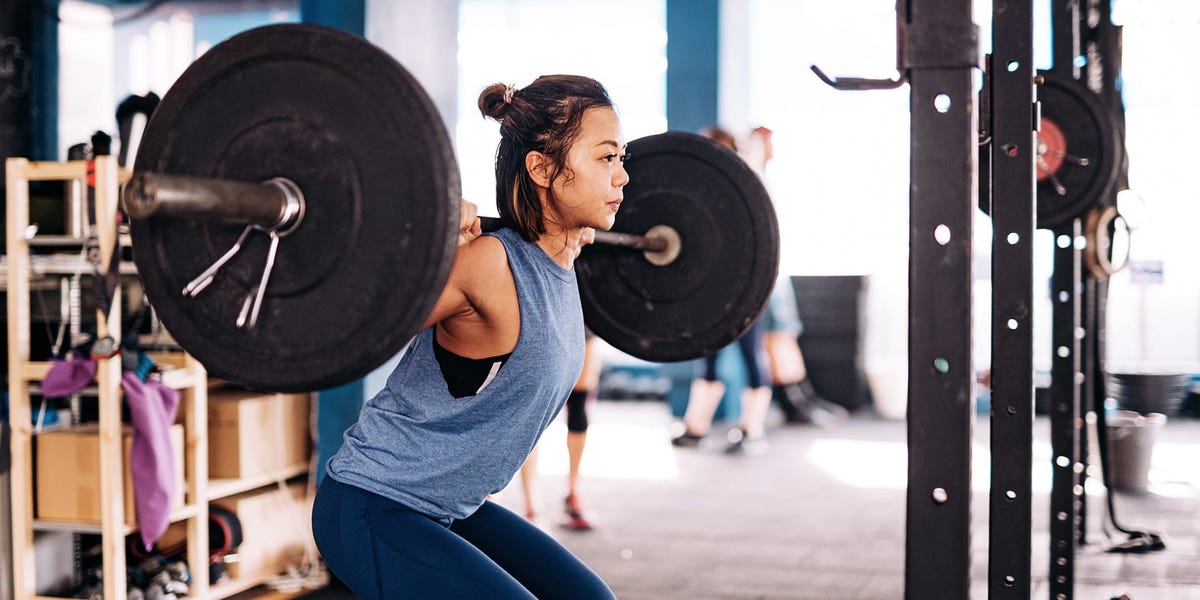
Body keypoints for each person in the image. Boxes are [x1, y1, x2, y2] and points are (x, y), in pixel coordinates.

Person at [311, 75, 624, 600]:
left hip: (450, 507)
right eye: (605, 158)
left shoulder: (561, 264)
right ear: (543, 169)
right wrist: (424, 246)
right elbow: (349, 326)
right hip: (374, 504)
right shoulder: (487, 264)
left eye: (623, 158)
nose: (622, 178)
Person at [670, 126, 774, 455]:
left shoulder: (748, 186)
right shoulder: (703, 188)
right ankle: (696, 428)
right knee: (710, 360)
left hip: (748, 290)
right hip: (712, 292)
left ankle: (752, 430)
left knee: (751, 357)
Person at [517, 331, 603, 529]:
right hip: (543, 322)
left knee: (579, 403)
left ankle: (572, 494)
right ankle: (531, 505)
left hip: (585, 320)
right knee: (534, 407)